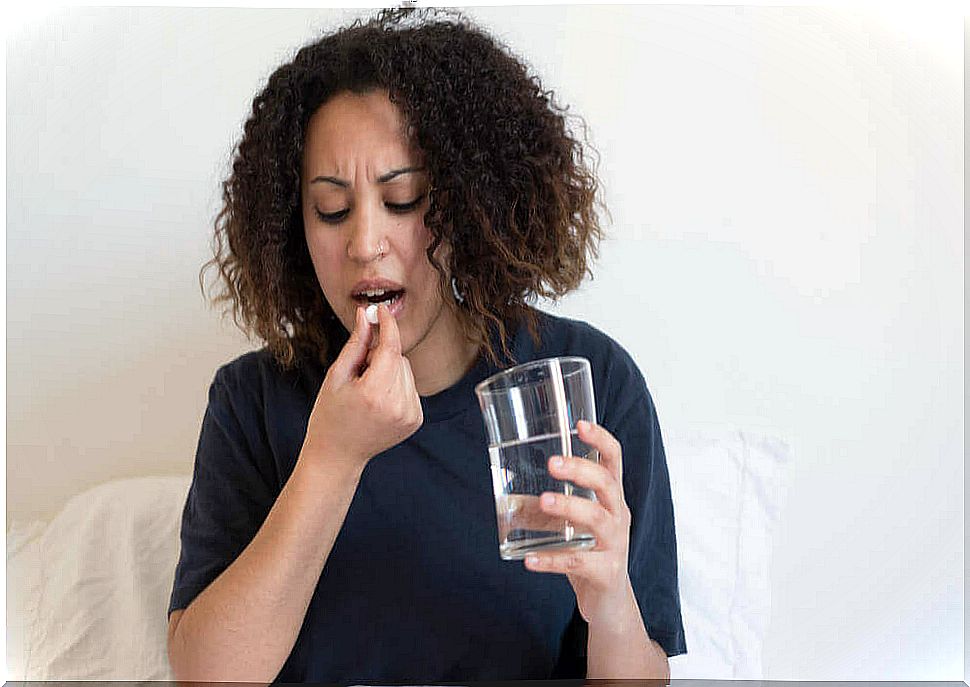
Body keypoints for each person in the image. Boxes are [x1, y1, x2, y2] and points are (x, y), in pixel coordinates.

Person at [166, 7, 686, 683]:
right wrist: (331, 457)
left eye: (403, 197)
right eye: (331, 208)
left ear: (470, 207)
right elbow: (204, 675)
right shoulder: (253, 401)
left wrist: (612, 601)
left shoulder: (588, 379)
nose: (364, 243)